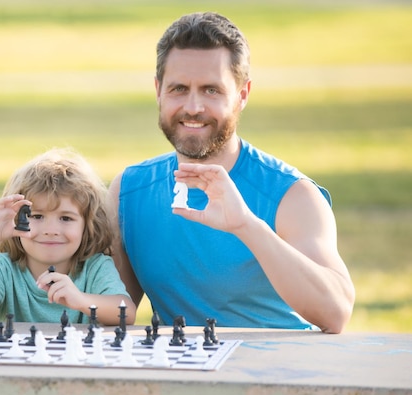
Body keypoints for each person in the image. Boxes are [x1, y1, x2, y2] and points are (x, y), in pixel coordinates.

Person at [108, 12, 355, 333]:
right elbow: (111, 310)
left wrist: (246, 225)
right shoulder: (129, 191)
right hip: (181, 374)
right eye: (179, 88)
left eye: (211, 90)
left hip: (281, 375)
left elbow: (335, 313)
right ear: (158, 91)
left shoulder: (292, 195)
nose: (193, 107)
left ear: (242, 94)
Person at [0, 148, 136, 326]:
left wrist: (80, 300)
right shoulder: (5, 268)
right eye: (37, 216)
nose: (51, 230)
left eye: (66, 218)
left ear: (88, 225)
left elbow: (126, 312)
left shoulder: (95, 267)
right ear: (16, 219)